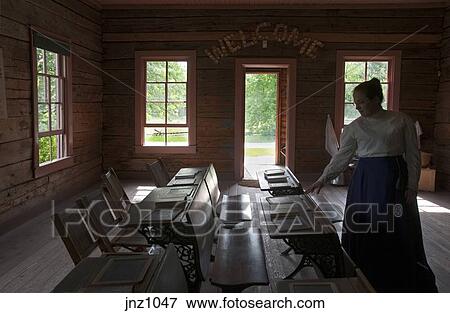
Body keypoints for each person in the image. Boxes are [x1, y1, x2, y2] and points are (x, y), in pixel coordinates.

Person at [306, 78, 437, 292]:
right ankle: (361, 270)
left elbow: (413, 156)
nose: (357, 107)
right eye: (355, 103)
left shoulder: (401, 120)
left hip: (392, 177)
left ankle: (395, 274)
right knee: (364, 221)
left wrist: (412, 186)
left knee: (391, 224)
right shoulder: (355, 127)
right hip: (365, 180)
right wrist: (324, 177)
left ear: (376, 99)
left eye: (361, 102)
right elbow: (342, 156)